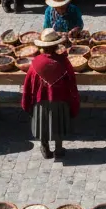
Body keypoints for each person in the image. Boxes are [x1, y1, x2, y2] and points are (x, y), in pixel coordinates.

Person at [21, 29, 80, 159]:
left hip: (40, 100)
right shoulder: (64, 62)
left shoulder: (35, 63)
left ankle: (45, 148)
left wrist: (28, 101)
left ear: (42, 47)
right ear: (56, 46)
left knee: (42, 125)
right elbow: (71, 82)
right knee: (59, 124)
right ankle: (58, 149)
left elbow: (29, 83)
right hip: (60, 100)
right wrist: (73, 100)